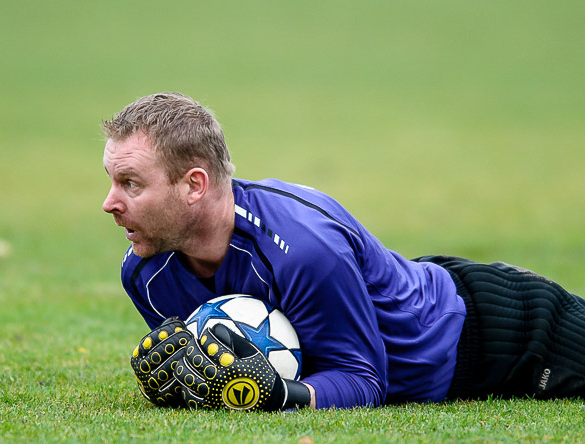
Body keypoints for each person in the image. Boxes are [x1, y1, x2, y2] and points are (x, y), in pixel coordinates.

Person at [101, 92, 585, 411]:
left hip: (504, 330)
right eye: (111, 181)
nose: (110, 203)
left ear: (194, 185)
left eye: (131, 183)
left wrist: (277, 397)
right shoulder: (144, 272)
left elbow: (363, 381)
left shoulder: (303, 249)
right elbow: (226, 379)